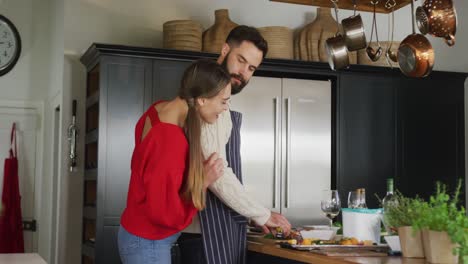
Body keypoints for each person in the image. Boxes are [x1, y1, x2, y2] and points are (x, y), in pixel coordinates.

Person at [178, 26, 292, 264]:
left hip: (222, 228)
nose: (243, 72)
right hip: (205, 234)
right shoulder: (207, 99)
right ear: (225, 49)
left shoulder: (222, 105)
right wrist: (261, 214)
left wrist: (251, 214)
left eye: (251, 68)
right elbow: (217, 174)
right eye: (241, 60)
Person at [118, 59, 234, 264]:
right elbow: (164, 214)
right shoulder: (170, 141)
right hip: (148, 243)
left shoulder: (158, 110)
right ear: (202, 99)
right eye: (223, 101)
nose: (225, 108)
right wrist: (204, 182)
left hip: (138, 235)